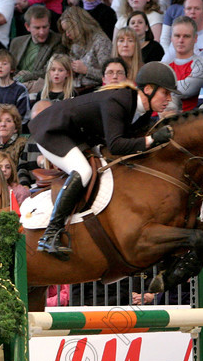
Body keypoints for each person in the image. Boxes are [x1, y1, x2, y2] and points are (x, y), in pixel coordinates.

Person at [29, 61, 176, 256]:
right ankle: (51, 233)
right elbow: (116, 145)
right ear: (148, 89)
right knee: (83, 171)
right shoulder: (119, 101)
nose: (169, 98)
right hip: (52, 131)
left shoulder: (142, 110)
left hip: (77, 135)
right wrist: (151, 140)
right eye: (165, 93)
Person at [10, 6, 67, 89]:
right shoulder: (16, 42)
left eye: (45, 27)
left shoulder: (57, 41)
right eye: (37, 28)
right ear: (27, 27)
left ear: (49, 24)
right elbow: (10, 68)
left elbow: (50, 70)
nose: (42, 32)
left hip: (39, 86)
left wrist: (25, 76)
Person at [59, 7, 112, 92]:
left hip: (96, 90)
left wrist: (86, 70)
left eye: (69, 29)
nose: (67, 34)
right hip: (76, 89)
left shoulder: (101, 42)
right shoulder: (75, 43)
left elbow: (109, 75)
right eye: (65, 31)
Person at [165, 16, 203, 112]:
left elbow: (184, 91)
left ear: (195, 38)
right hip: (159, 117)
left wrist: (160, 86)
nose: (181, 40)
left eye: (186, 36)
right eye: (177, 36)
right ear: (171, 38)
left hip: (188, 119)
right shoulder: (164, 66)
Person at [0, 49, 30, 134]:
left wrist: (8, 131)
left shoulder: (20, 90)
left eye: (4, 64)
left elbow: (24, 118)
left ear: (12, 69)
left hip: (15, 134)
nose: (0, 66)